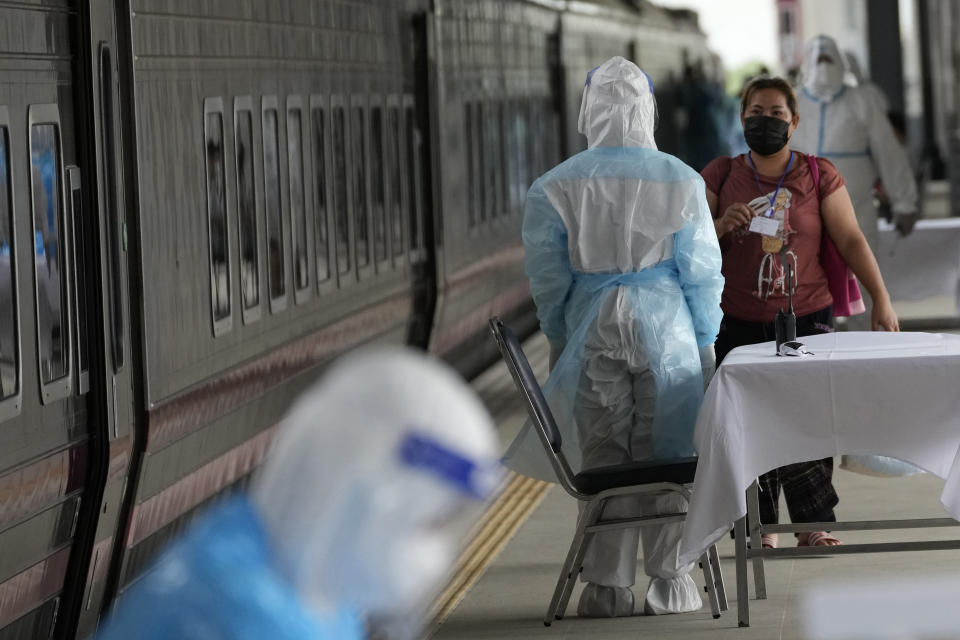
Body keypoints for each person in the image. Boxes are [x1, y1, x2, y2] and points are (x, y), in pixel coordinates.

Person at [504, 56, 724, 618]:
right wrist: (704, 338)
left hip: (590, 328)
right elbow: (701, 270)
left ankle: (607, 587)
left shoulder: (555, 186)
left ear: (588, 110)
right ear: (649, 110)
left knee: (606, 456)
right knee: (672, 452)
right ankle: (671, 582)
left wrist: (561, 337)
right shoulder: (682, 178)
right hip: (668, 329)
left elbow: (549, 282)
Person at [97, 348, 501, 640]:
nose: (432, 555)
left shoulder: (293, 579)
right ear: (373, 497)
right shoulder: (246, 620)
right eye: (427, 525)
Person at [702, 75, 900, 549]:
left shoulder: (817, 174)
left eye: (775, 114)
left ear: (795, 121)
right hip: (737, 320)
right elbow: (689, 248)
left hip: (807, 315)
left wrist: (882, 298)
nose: (764, 121)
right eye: (755, 113)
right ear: (741, 116)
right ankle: (761, 525)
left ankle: (812, 523)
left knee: (807, 417)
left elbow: (851, 239)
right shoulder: (721, 174)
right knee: (749, 422)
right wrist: (720, 225)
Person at [793, 35, 918, 330]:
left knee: (864, 273)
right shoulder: (792, 101)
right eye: (817, 60)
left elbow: (888, 151)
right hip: (802, 208)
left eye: (829, 60)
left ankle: (867, 343)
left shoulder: (862, 99)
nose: (823, 66)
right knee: (805, 276)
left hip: (857, 205)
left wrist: (904, 201)